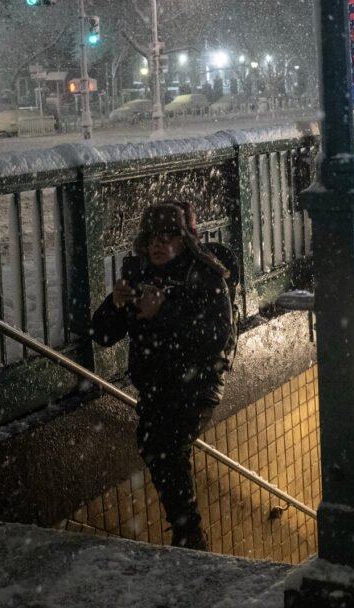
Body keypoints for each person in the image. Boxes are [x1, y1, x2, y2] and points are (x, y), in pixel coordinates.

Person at [90, 201, 232, 551]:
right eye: (153, 236)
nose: (158, 243)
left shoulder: (205, 275)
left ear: (184, 240)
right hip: (155, 386)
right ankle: (187, 532)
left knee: (165, 444)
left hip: (197, 385)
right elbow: (102, 334)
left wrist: (164, 311)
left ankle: (189, 534)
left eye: (168, 236)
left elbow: (216, 337)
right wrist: (115, 304)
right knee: (155, 443)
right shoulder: (139, 275)